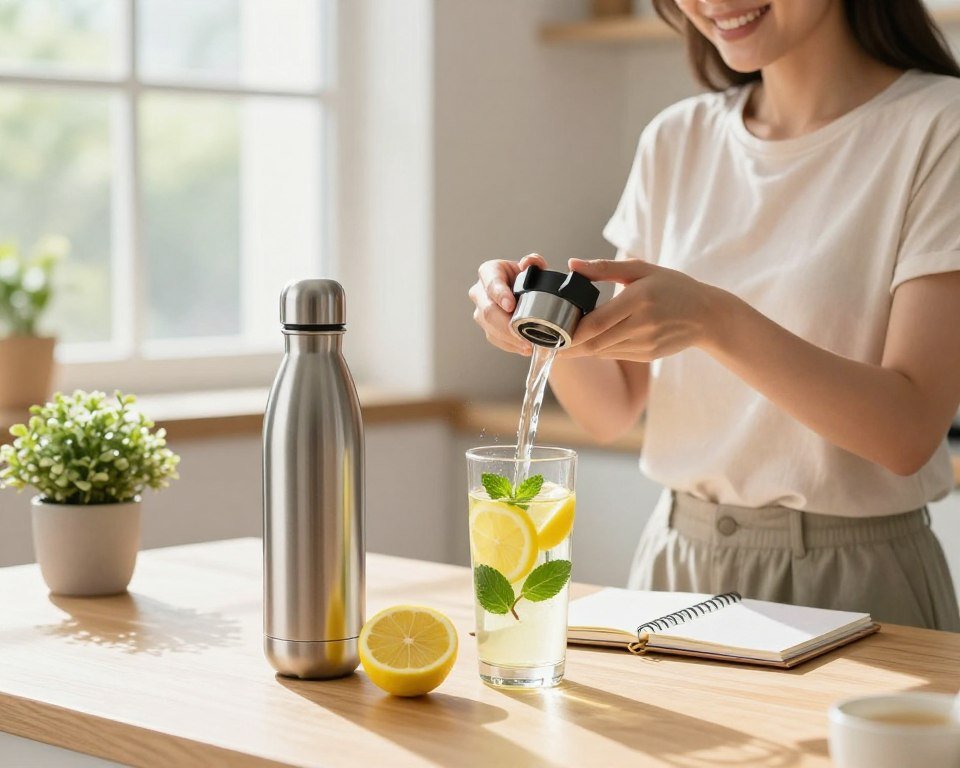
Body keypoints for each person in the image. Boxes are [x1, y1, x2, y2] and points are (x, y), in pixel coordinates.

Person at [469, 0, 960, 631]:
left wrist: (714, 319)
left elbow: (907, 434)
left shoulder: (938, 127)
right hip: (675, 570)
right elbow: (609, 407)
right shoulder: (679, 138)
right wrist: (538, 325)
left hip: (857, 583)